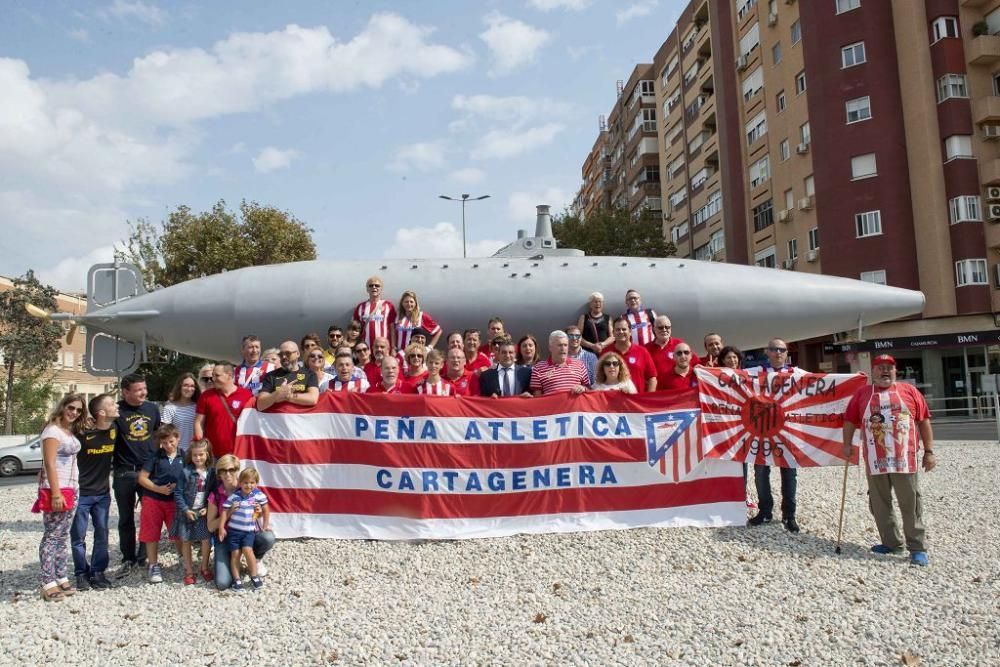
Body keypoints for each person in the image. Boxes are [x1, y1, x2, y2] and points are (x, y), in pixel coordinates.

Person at [843, 354, 936, 567]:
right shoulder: (863, 394)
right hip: (876, 460)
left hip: (905, 460)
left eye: (889, 368)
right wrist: (847, 445)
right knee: (879, 503)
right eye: (880, 368)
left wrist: (929, 451)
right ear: (873, 371)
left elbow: (924, 421)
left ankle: (917, 547)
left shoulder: (909, 391)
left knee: (910, 504)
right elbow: (849, 420)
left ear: (895, 371)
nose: (885, 371)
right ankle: (892, 542)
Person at [34, 394, 85, 601]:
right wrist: (55, 493)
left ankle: (60, 575)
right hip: (57, 489)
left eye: (79, 410)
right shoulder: (52, 431)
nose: (74, 412)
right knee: (52, 536)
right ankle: (47, 581)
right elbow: (50, 463)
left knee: (62, 536)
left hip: (71, 488)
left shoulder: (68, 431)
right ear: (62, 406)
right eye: (71, 408)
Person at [748, 338, 801, 533]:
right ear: (766, 352)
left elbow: (824, 382)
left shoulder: (797, 373)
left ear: (787, 353)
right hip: (762, 430)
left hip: (788, 432)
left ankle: (789, 515)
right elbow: (730, 377)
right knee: (761, 472)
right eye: (774, 349)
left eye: (782, 349)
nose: (778, 352)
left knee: (789, 474)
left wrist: (854, 379)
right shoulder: (756, 372)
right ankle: (765, 511)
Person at [113, 373, 161, 576]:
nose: (143, 392)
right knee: (126, 518)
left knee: (149, 516)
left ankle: (144, 555)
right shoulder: (116, 410)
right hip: (124, 472)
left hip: (147, 471)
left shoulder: (152, 409)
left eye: (145, 388)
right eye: (138, 390)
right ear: (125, 392)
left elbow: (158, 435)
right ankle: (128, 557)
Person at [206, 455, 276, 590]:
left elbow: (259, 510)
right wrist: (229, 512)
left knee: (267, 537)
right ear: (218, 473)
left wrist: (258, 512)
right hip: (226, 537)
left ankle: (256, 559)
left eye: (231, 470)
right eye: (222, 470)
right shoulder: (215, 494)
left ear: (237, 470)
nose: (227, 474)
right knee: (222, 583)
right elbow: (210, 526)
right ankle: (231, 565)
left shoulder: (247, 485)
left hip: (248, 532)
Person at [71, 393, 118, 591]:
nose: (116, 406)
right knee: (78, 536)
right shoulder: (81, 432)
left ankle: (98, 572)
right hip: (81, 493)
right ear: (100, 412)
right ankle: (81, 573)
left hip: (103, 494)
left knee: (102, 533)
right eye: (111, 404)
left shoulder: (115, 429)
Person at [137, 424, 184, 584]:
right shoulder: (155, 457)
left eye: (171, 441)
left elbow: (191, 476)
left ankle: (183, 559)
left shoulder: (185, 456)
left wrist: (179, 487)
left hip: (175, 501)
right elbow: (142, 478)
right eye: (164, 443)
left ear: (178, 438)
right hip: (153, 499)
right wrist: (159, 489)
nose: (168, 446)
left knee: (178, 531)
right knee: (151, 533)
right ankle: (153, 564)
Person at [172, 439, 215, 585]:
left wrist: (209, 508)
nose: (198, 458)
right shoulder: (186, 472)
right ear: (191, 455)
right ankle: (189, 570)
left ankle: (204, 566)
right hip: (186, 513)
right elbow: (178, 493)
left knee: (205, 539)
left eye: (201, 455)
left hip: (202, 512)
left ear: (207, 455)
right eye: (195, 455)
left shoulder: (211, 472)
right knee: (186, 541)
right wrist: (185, 509)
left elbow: (214, 492)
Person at [221, 467, 270, 591]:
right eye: (245, 482)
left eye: (252, 482)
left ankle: (254, 576)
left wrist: (265, 524)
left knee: (248, 550)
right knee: (235, 554)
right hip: (234, 531)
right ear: (240, 483)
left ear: (256, 483)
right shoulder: (234, 496)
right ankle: (237, 579)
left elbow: (266, 509)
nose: (249, 485)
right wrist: (221, 527)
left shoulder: (258, 495)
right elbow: (224, 511)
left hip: (248, 531)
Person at [194, 362, 253, 459]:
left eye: (217, 375)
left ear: (229, 375)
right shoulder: (206, 396)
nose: (213, 379)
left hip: (238, 454)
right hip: (212, 454)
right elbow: (198, 423)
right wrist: (200, 448)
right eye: (213, 375)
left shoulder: (246, 395)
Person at [257, 341, 320, 411]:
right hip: (277, 420)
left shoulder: (310, 374)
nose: (284, 357)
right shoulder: (271, 376)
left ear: (298, 354)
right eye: (281, 354)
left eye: (288, 353)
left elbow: (313, 399)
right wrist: (276, 394)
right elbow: (260, 405)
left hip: (301, 420)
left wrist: (288, 396)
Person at [602, 317, 657, 393]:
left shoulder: (642, 351)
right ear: (613, 332)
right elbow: (600, 377)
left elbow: (652, 378)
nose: (621, 332)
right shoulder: (605, 352)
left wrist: (649, 399)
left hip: (637, 401)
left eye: (624, 329)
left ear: (630, 331)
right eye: (618, 329)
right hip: (613, 401)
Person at [530, 331, 591, 396]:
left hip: (576, 405)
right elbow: (537, 399)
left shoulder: (579, 365)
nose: (563, 348)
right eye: (559, 345)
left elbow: (589, 391)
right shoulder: (538, 368)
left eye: (565, 345)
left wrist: (583, 389)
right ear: (550, 347)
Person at [646, 315, 700, 387]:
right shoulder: (646, 349)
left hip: (678, 390)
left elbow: (696, 364)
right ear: (654, 329)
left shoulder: (679, 345)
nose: (664, 330)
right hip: (658, 393)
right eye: (660, 327)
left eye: (667, 327)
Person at [353, 276, 396, 350]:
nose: (374, 287)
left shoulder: (388, 306)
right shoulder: (360, 307)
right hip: (365, 350)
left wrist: (393, 348)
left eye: (377, 285)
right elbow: (354, 330)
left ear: (381, 288)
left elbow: (393, 330)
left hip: (383, 349)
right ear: (367, 289)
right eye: (371, 285)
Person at [161, 372, 199, 453]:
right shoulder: (169, 408)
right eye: (185, 385)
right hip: (175, 453)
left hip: (195, 453)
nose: (189, 389)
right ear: (179, 387)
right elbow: (164, 434)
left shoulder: (199, 407)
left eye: (192, 386)